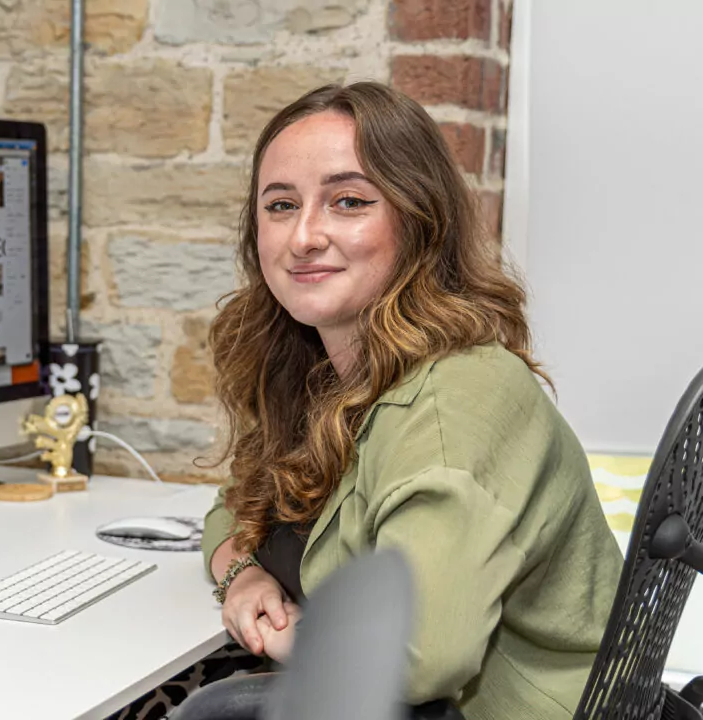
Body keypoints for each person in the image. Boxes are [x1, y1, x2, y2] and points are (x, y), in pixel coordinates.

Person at [199, 82, 623, 719]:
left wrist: (289, 637)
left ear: (420, 221)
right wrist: (245, 578)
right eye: (281, 205)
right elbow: (232, 509)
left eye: (348, 201)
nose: (305, 235)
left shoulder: (456, 396)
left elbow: (417, 652)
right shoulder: (317, 367)